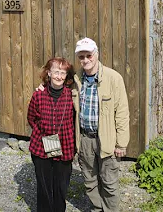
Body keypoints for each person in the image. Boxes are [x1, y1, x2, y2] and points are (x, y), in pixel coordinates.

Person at [37, 37, 130, 212]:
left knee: (109, 182)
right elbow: (55, 81)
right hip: (85, 139)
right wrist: (42, 87)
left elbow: (123, 113)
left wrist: (121, 143)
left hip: (107, 140)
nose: (85, 60)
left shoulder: (113, 78)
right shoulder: (75, 79)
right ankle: (97, 209)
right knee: (90, 181)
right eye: (81, 57)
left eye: (89, 55)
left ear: (96, 54)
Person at [27, 57, 77, 212]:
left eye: (63, 73)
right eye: (56, 72)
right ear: (48, 73)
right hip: (41, 148)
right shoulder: (39, 95)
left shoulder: (72, 96)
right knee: (44, 187)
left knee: (61, 187)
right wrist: (42, 131)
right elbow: (32, 117)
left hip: (65, 146)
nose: (59, 76)